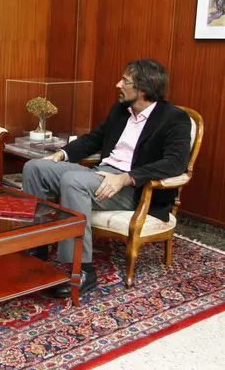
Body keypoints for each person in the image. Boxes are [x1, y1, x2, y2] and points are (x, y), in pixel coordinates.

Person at [22, 59, 191, 297]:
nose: (117, 84)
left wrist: (126, 178)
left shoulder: (174, 118)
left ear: (142, 90)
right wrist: (62, 154)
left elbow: (175, 163)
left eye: (125, 81)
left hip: (133, 188)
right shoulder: (121, 110)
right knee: (35, 167)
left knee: (73, 181)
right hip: (100, 174)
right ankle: (36, 247)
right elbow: (94, 139)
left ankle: (82, 271)